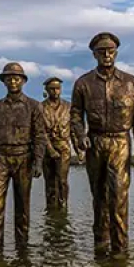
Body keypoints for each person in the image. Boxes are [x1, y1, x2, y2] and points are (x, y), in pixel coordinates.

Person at [70, 32, 134, 255]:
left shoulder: (131, 83)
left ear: (116, 53)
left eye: (110, 50)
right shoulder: (83, 83)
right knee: (99, 196)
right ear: (94, 54)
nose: (106, 54)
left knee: (119, 196)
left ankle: (120, 248)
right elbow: (75, 115)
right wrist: (80, 135)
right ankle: (101, 243)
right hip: (95, 142)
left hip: (121, 142)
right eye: (101, 51)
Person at [0, 62, 45, 250]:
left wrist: (38, 162)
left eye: (16, 78)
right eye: (9, 78)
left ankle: (22, 247)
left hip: (24, 158)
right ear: (4, 82)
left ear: (23, 81)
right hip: (1, 159)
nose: (13, 81)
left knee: (22, 206)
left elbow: (40, 136)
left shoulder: (34, 106)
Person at [42, 77, 83, 211]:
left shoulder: (68, 107)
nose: (55, 91)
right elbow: (40, 132)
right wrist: (50, 149)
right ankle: (50, 207)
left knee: (62, 180)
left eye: (58, 88)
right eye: (52, 88)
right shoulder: (40, 107)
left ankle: (63, 206)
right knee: (49, 182)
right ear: (46, 90)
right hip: (47, 149)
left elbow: (73, 132)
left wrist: (79, 151)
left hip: (63, 148)